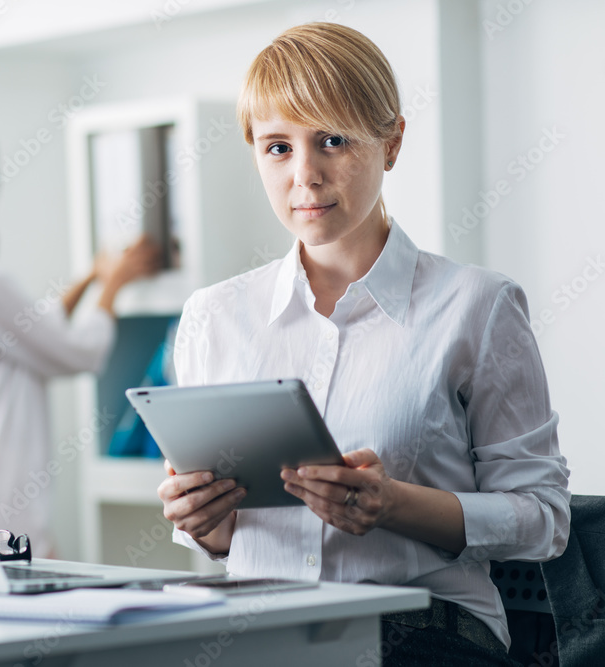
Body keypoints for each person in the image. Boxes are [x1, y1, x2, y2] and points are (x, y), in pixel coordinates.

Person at [157, 22, 569, 666]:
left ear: (392, 142)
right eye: (277, 148)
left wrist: (396, 506)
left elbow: (545, 519)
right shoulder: (213, 317)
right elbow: (225, 539)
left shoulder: (479, 306)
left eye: (332, 140)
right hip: (262, 632)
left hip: (420, 631)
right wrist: (205, 524)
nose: (306, 176)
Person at [0, 118, 159, 557]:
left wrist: (93, 275)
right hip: (9, 530)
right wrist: (115, 284)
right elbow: (79, 352)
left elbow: (30, 330)